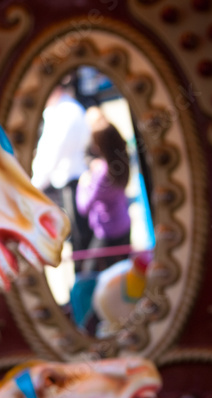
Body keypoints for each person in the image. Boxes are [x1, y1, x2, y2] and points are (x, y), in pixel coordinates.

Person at [31, 78, 91, 267]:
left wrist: (33, 188)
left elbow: (50, 154)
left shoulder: (63, 113)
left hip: (70, 186)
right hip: (73, 183)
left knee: (80, 243)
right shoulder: (70, 108)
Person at [76, 109, 131, 273]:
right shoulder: (122, 162)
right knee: (123, 272)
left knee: (90, 272)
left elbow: (84, 207)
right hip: (124, 224)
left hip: (109, 233)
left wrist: (83, 182)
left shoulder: (102, 175)